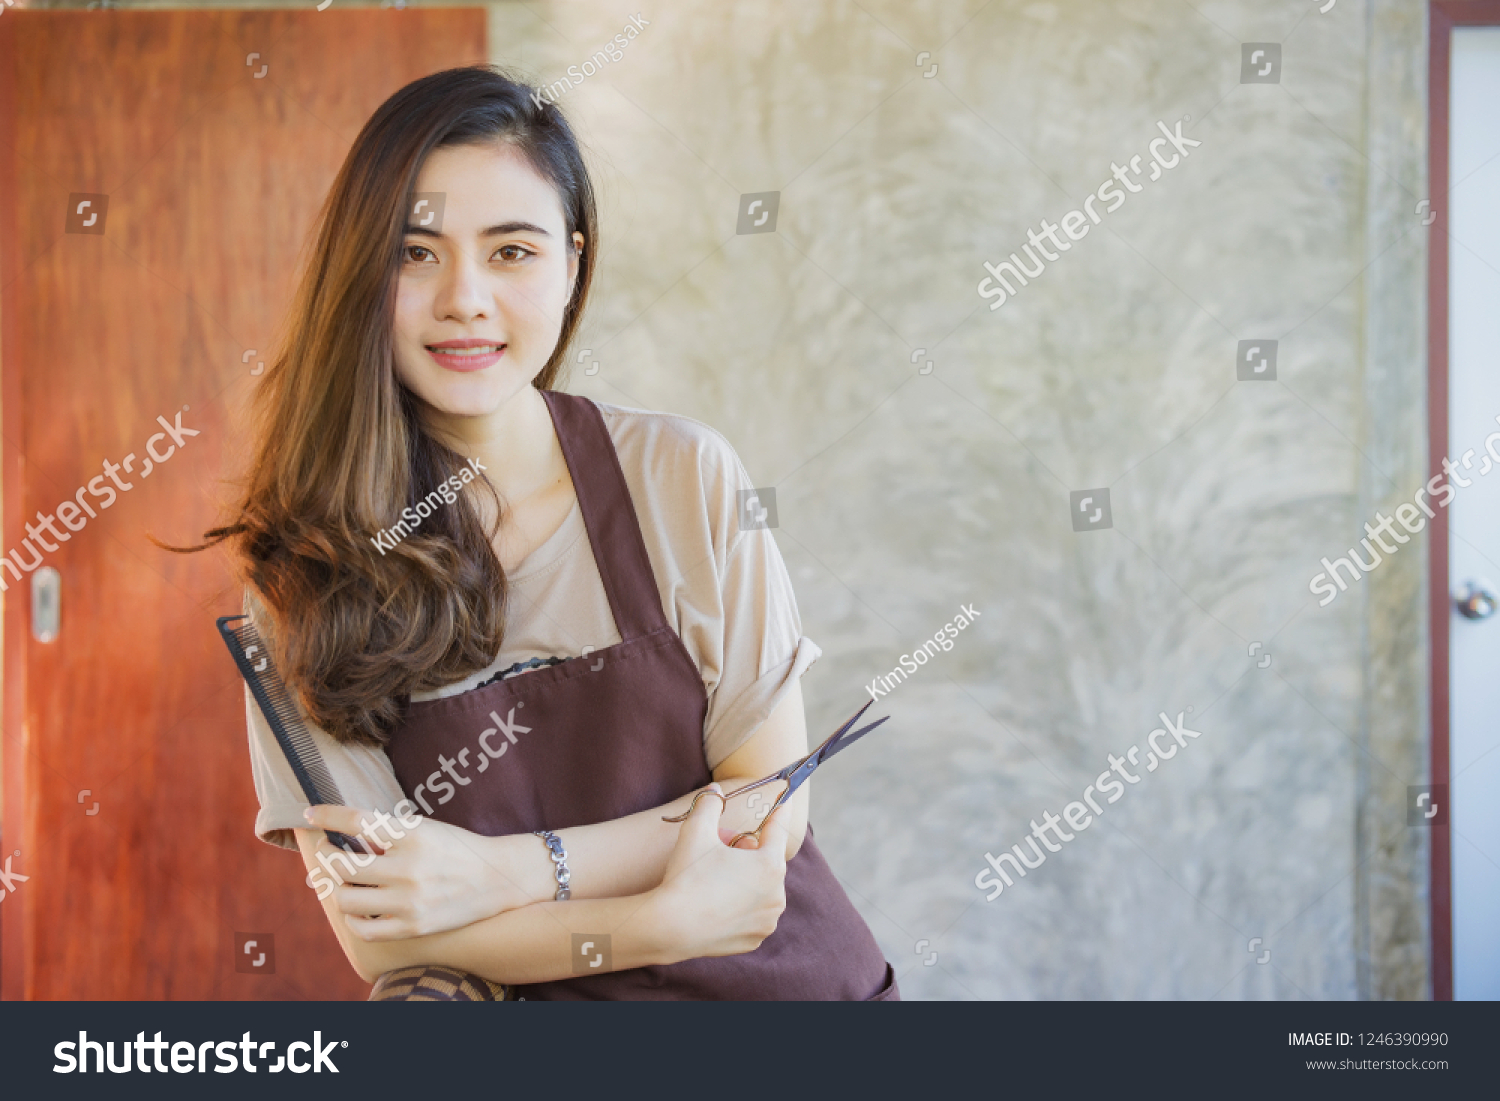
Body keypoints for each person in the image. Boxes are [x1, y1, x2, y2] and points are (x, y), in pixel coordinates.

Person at [192, 65, 897, 1001]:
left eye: (512, 251)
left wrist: (512, 871)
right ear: (360, 272)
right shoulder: (305, 574)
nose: (465, 298)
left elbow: (766, 804)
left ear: (571, 263)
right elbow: (384, 941)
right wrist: (656, 924)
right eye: (415, 253)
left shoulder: (682, 474)